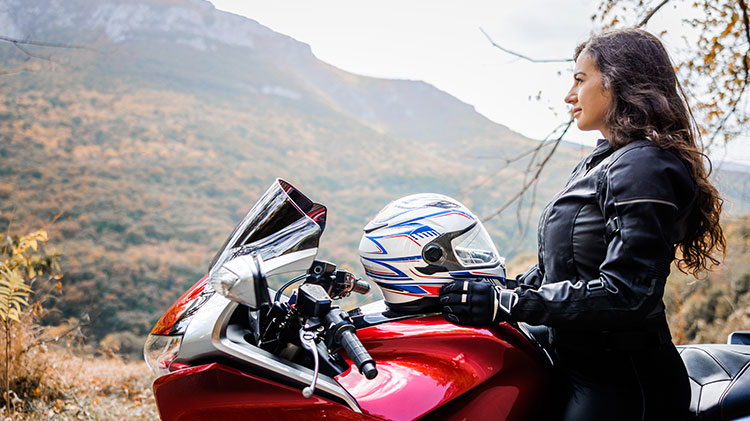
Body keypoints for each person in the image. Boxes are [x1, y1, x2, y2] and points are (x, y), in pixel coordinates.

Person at [439, 28, 725, 420]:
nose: (569, 96)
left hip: (622, 388)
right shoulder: (603, 160)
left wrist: (508, 303)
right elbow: (563, 267)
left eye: (579, 79)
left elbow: (629, 293)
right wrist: (487, 290)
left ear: (618, 81)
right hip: (574, 368)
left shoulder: (644, 166)